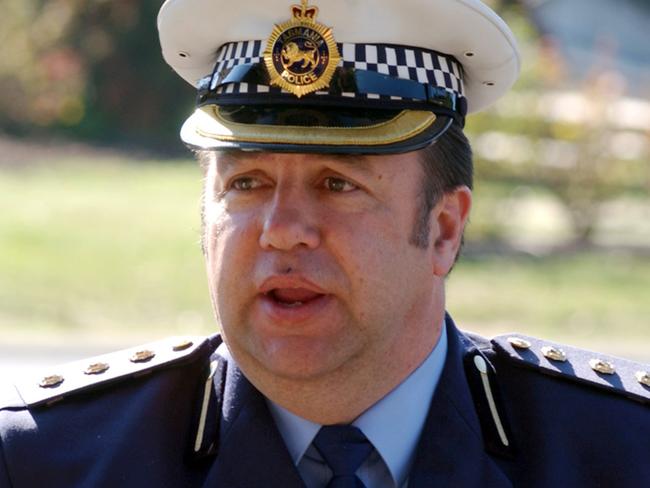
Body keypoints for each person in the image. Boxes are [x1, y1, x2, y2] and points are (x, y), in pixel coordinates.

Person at [1, 0, 648, 486]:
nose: (282, 228)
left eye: (338, 184)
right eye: (247, 183)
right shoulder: (47, 460)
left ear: (445, 230)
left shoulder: (620, 451)